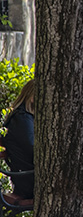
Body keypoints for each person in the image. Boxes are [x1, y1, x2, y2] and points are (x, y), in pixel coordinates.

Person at [1, 79, 34, 208]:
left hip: (26, 177)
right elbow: (31, 149)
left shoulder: (24, 117)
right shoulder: (22, 118)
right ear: (31, 96)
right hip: (28, 180)